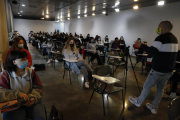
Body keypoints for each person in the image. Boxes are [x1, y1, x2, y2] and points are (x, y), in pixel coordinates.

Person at [129, 21, 178, 114]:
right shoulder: (174, 38)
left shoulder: (161, 38)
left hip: (158, 69)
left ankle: (138, 102)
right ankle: (154, 107)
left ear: (164, 28)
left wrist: (141, 45)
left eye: (159, 26)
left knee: (147, 86)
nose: (157, 28)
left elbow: (152, 51)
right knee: (160, 89)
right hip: (169, 70)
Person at [0, 50, 46, 120]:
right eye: (22, 59)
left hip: (32, 102)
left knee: (40, 118)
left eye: (26, 58)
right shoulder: (5, 75)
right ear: (14, 62)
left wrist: (32, 98)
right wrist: (18, 94)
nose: (26, 60)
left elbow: (39, 88)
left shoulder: (31, 72)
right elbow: (2, 92)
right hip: (14, 104)